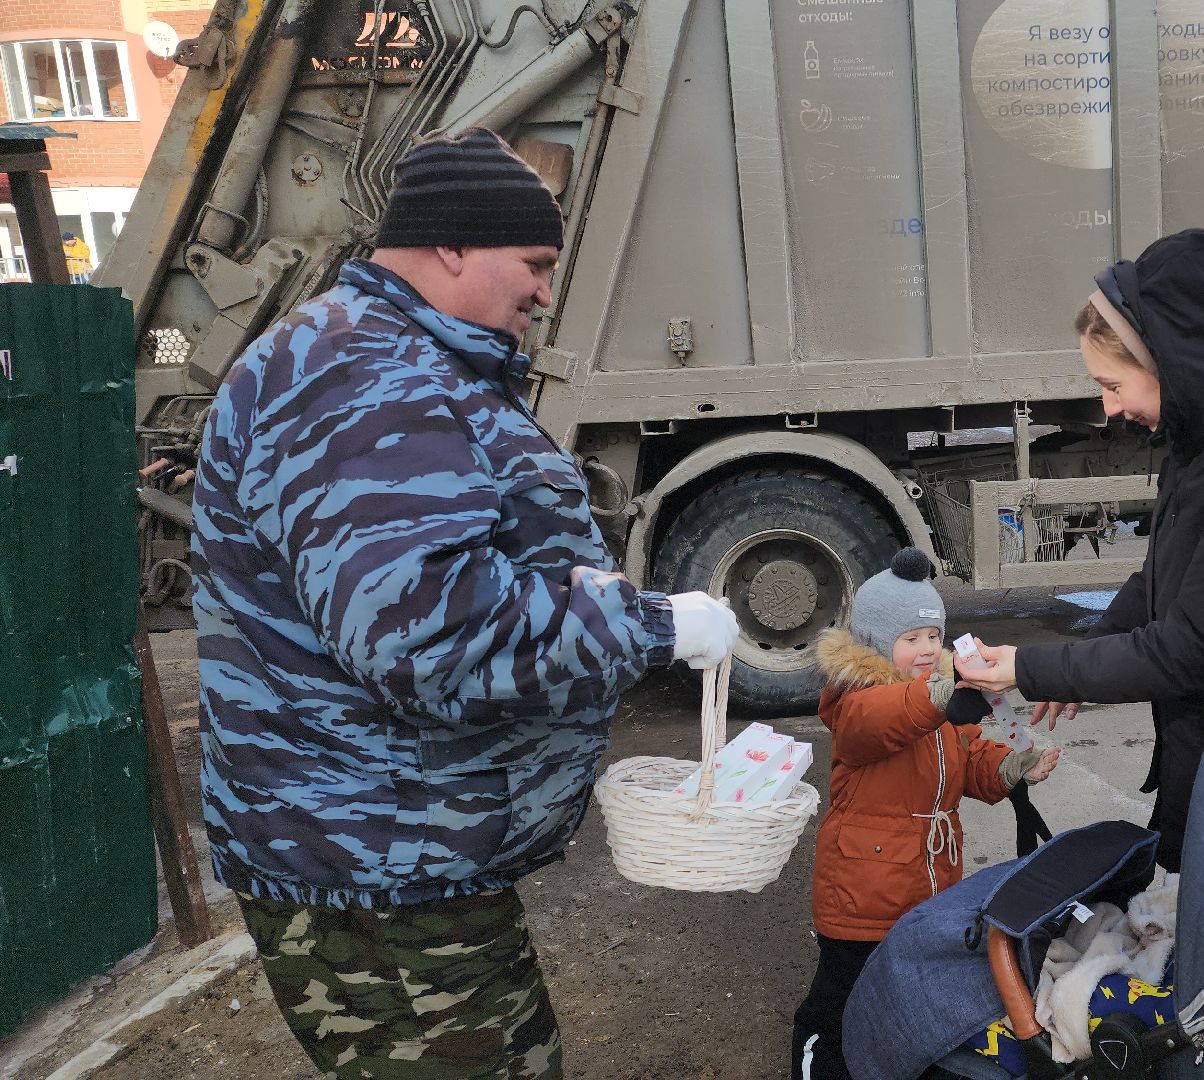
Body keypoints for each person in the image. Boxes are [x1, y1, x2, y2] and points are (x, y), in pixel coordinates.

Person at [190, 128, 739, 1079]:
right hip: (373, 862)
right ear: (449, 246)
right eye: (530, 262)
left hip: (382, 846)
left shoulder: (391, 357)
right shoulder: (363, 379)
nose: (543, 289)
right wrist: (650, 626)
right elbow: (432, 634)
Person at [960, 229, 1204, 873]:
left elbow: (1194, 649)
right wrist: (1080, 656)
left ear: (1177, 362)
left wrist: (1034, 668)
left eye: (1114, 384)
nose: (1109, 407)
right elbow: (1166, 576)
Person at [792, 548, 1060, 1080]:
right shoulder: (857, 700)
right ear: (875, 641)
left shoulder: (938, 702)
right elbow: (885, 719)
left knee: (903, 988)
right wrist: (941, 695)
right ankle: (815, 1065)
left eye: (933, 636)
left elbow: (967, 761)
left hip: (926, 880)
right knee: (838, 996)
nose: (926, 648)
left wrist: (1015, 766)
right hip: (861, 890)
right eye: (910, 639)